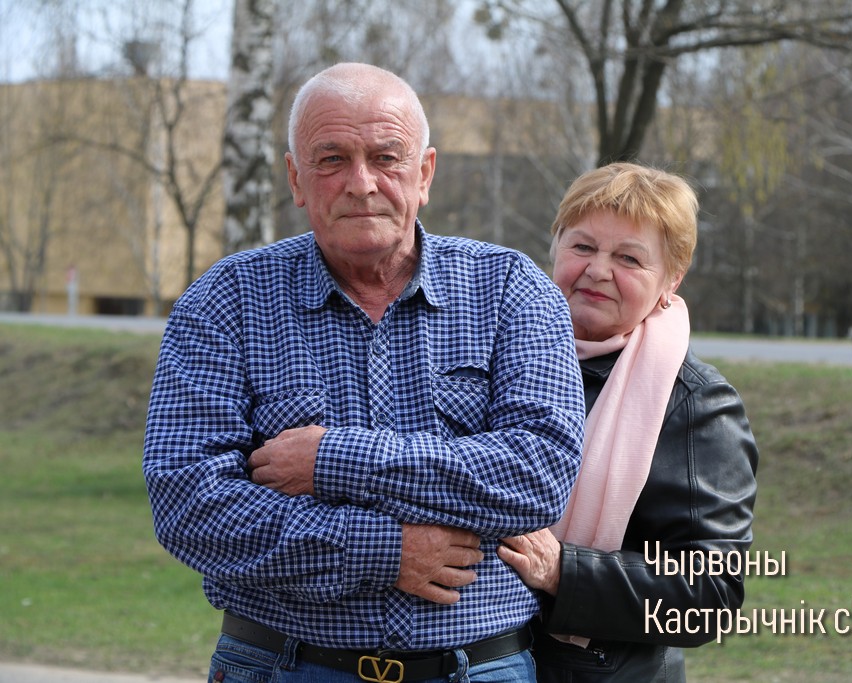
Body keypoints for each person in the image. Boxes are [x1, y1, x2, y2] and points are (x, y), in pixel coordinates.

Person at [142, 62, 586, 683]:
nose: (361, 183)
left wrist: (332, 459)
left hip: (479, 668)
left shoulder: (511, 289)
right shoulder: (226, 300)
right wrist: (385, 551)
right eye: (331, 159)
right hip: (281, 666)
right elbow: (188, 503)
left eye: (386, 158)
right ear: (295, 179)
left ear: (424, 174)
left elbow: (539, 475)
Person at [497, 162, 758, 682]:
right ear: (555, 248)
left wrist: (562, 570)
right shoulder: (494, 360)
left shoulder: (696, 403)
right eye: (583, 246)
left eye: (629, 258)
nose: (598, 270)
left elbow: (709, 593)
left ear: (671, 280)